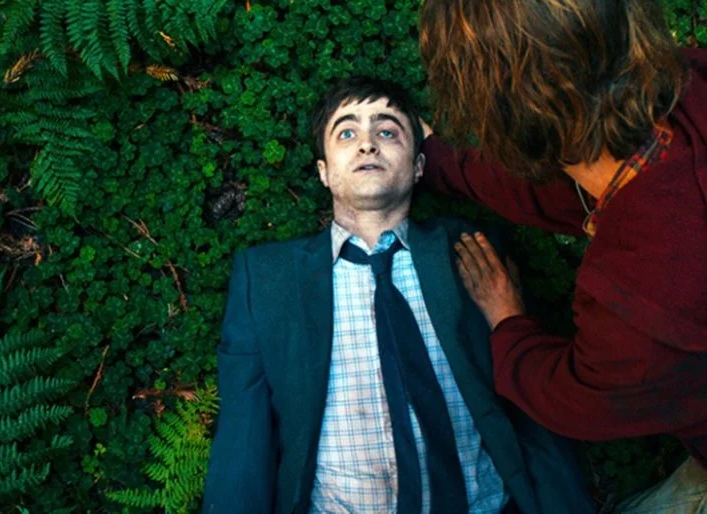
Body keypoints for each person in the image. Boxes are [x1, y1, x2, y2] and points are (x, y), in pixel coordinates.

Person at [202, 77, 594, 514]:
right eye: (346, 133)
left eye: (388, 131)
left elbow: (530, 408)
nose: (367, 144)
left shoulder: (470, 251)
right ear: (324, 172)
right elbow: (242, 441)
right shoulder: (266, 279)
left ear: (420, 166)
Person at [419, 0, 707, 511]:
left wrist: (509, 324)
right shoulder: (692, 78)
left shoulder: (639, 311)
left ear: (509, 121)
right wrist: (439, 162)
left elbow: (581, 401)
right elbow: (574, 177)